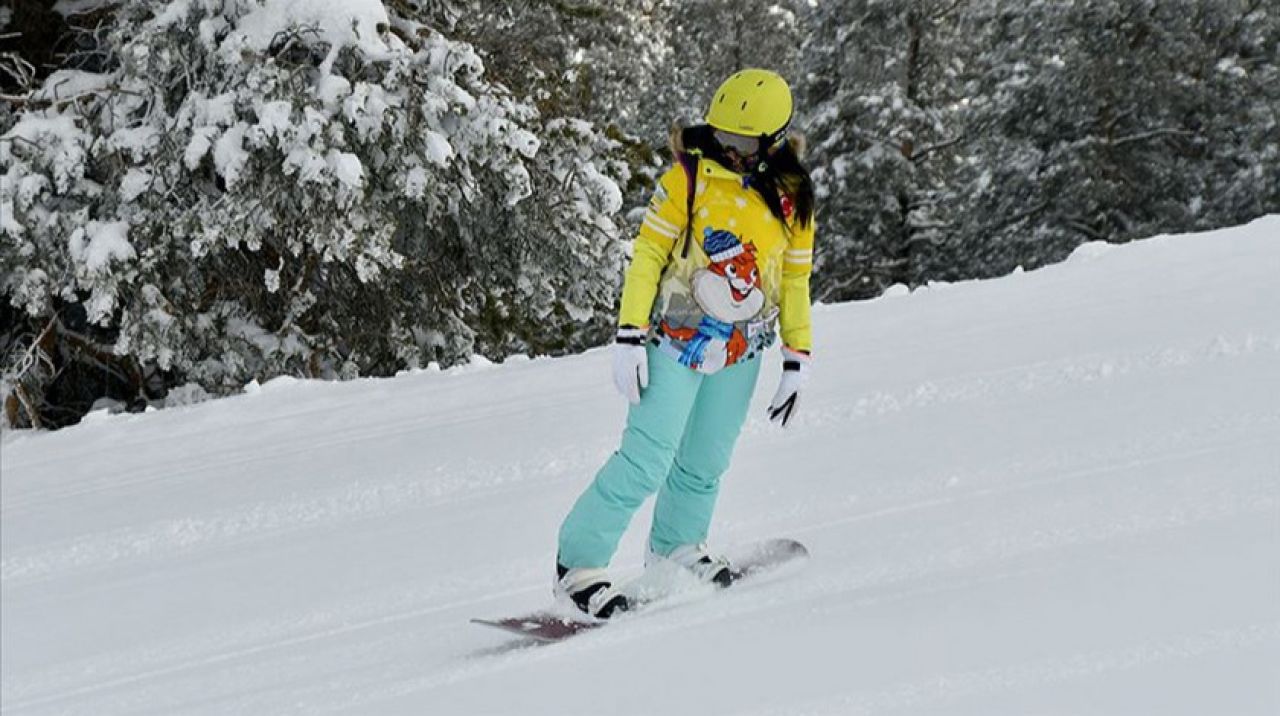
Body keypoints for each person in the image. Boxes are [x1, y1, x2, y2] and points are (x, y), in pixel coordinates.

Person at [554, 68, 817, 618]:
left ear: (772, 143)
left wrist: (797, 356)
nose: (729, 147)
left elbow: (794, 278)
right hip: (673, 342)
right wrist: (628, 335)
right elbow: (648, 255)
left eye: (743, 141)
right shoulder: (688, 179)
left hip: (741, 350)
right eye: (723, 135)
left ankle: (676, 547)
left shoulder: (794, 196)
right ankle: (578, 566)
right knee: (646, 460)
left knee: (705, 461)